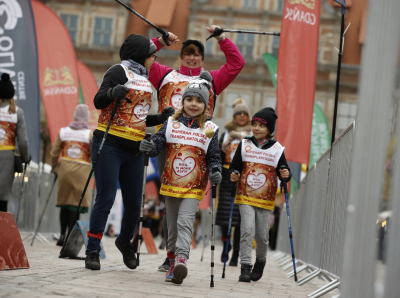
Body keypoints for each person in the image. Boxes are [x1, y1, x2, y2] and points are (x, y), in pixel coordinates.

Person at [149, 25, 245, 272]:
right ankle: (170, 254)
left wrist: (222, 38)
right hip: (167, 141)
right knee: (169, 196)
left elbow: (236, 64)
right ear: (181, 56)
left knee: (188, 200)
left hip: (199, 145)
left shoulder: (212, 79)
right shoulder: (164, 74)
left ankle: (178, 254)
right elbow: (141, 56)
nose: (192, 57)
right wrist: (161, 40)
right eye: (188, 53)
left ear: (202, 58)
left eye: (197, 54)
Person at [84, 34, 174, 271]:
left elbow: (139, 118)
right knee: (106, 197)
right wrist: (112, 93)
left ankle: (124, 242)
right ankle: (92, 249)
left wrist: (160, 117)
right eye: (151, 55)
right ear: (139, 55)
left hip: (134, 149)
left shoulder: (144, 79)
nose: (154, 58)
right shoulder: (118, 71)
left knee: (135, 204)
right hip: (110, 144)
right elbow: (98, 101)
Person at [139, 72, 222, 285]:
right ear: (183, 101)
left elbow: (214, 156)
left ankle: (181, 260)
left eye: (199, 100)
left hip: (194, 186)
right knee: (172, 225)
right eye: (189, 99)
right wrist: (148, 147)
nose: (193, 104)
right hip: (171, 183)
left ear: (206, 105)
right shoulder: (171, 123)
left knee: (185, 221)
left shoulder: (210, 129)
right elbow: (157, 142)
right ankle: (172, 258)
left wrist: (215, 170)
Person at [229, 107, 291, 283]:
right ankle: (245, 267)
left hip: (265, 198)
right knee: (247, 230)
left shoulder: (277, 149)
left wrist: (285, 173)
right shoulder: (245, 144)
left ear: (269, 129)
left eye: (261, 125)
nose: (256, 128)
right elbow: (235, 166)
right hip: (245, 195)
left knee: (262, 236)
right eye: (254, 124)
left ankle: (260, 261)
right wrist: (233, 173)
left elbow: (282, 170)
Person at [216, 97, 252, 266]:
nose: (242, 116)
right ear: (234, 116)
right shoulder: (226, 135)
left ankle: (236, 254)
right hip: (226, 178)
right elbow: (218, 155)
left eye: (245, 113)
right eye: (239, 113)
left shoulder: (253, 135)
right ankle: (226, 245)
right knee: (224, 218)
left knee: (240, 219)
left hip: (244, 180)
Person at [50, 104, 92, 246]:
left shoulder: (63, 132)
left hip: (65, 170)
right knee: (76, 205)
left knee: (64, 204)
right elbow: (93, 155)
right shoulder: (89, 134)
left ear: (74, 115)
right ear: (86, 117)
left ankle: (61, 234)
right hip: (82, 172)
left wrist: (54, 168)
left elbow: (54, 153)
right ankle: (70, 237)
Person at [0, 73, 29, 212]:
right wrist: (25, 157)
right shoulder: (17, 112)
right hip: (7, 157)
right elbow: (22, 140)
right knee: (2, 197)